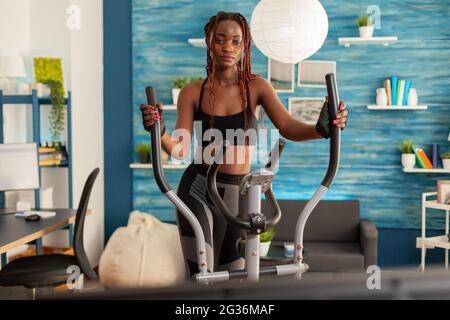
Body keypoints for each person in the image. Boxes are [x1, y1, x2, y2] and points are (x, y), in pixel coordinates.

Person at [140, 11, 348, 278]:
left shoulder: (257, 87)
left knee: (236, 281)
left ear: (244, 46)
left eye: (236, 41)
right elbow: (179, 149)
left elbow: (287, 126)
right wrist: (160, 131)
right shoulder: (193, 92)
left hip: (241, 193)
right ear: (209, 41)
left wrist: (321, 130)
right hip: (199, 188)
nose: (228, 47)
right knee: (201, 277)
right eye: (221, 39)